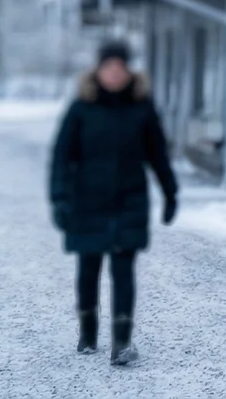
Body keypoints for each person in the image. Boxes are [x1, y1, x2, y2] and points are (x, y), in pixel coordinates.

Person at [49, 40, 178, 366]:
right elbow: (61, 157)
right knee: (88, 268)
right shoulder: (81, 108)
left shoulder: (142, 108)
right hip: (86, 200)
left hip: (129, 200)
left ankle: (121, 342)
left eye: (120, 67)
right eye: (109, 67)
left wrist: (170, 192)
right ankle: (88, 332)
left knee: (123, 270)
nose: (115, 73)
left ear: (128, 70)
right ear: (99, 70)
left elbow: (158, 155)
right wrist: (59, 198)